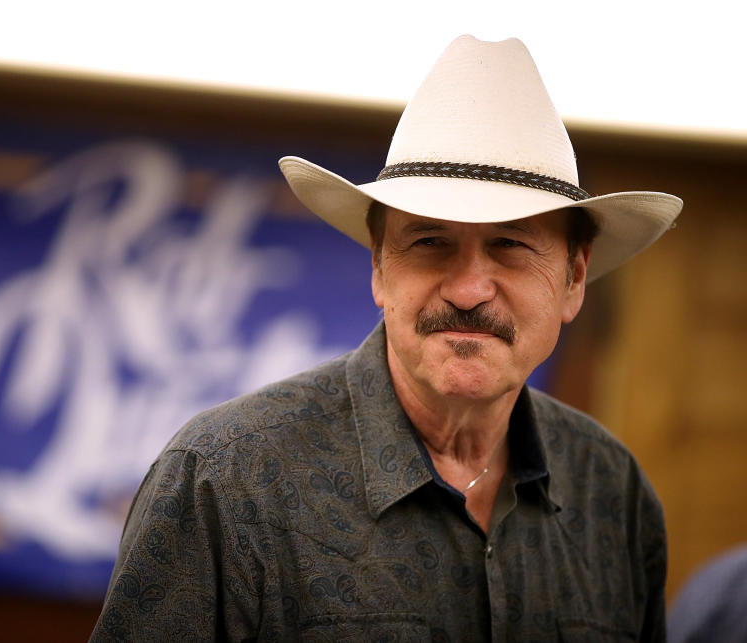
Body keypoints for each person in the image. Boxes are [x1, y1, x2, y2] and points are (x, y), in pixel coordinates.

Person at [90, 35, 682, 642]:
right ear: (379, 267)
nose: (470, 289)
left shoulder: (613, 493)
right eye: (430, 241)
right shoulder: (227, 480)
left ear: (573, 279)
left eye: (510, 244)